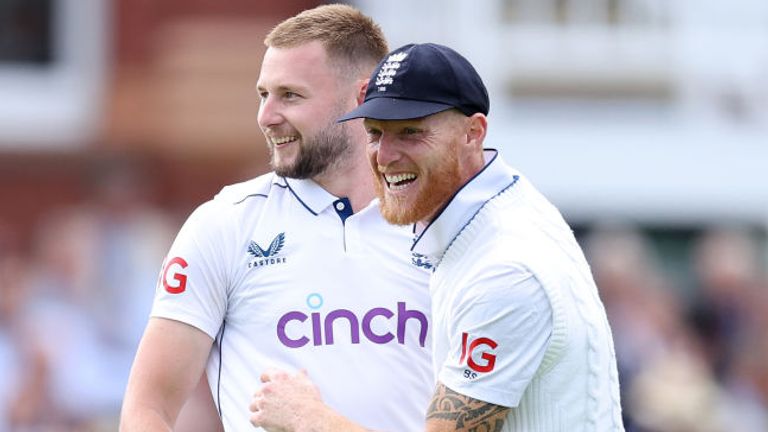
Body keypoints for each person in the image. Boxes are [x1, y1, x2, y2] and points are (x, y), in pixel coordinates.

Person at [250, 43, 625, 431]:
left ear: (473, 132)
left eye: (410, 132)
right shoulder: (500, 205)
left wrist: (308, 418)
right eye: (375, 133)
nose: (385, 156)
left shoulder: (504, 269)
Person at [120, 6, 434, 431]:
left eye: (290, 95)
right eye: (263, 94)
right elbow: (148, 408)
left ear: (362, 98)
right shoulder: (224, 226)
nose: (266, 117)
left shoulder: (441, 225)